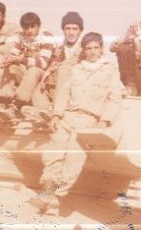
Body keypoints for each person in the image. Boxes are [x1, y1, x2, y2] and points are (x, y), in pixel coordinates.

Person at [33, 32, 123, 214]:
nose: (92, 52)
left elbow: (114, 98)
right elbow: (64, 94)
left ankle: (56, 198)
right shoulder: (77, 69)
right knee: (53, 155)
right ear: (83, 50)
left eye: (96, 48)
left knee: (73, 162)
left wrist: (104, 121)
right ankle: (48, 193)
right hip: (67, 117)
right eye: (88, 48)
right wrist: (56, 115)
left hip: (88, 121)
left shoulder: (110, 70)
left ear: (101, 48)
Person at [0, 12, 56, 120]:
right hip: (29, 75)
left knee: (34, 70)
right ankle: (4, 101)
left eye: (32, 27)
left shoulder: (46, 36)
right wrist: (8, 59)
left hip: (44, 75)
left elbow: (43, 63)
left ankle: (16, 105)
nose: (29, 31)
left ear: (38, 26)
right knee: (10, 66)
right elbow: (14, 54)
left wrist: (19, 59)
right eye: (26, 28)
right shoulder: (21, 36)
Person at [29, 11, 84, 114]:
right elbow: (53, 63)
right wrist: (48, 71)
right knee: (37, 86)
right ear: (63, 30)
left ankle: (56, 111)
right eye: (67, 28)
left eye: (75, 29)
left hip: (77, 86)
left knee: (64, 69)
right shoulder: (60, 47)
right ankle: (44, 111)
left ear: (80, 31)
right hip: (58, 84)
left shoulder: (85, 47)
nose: (71, 32)